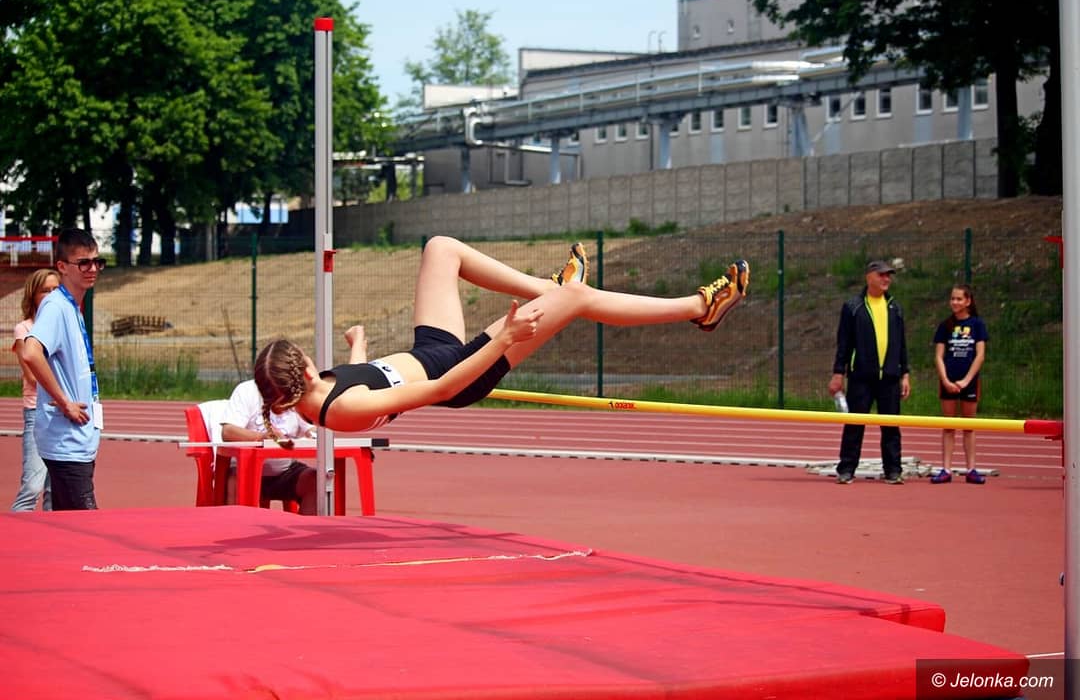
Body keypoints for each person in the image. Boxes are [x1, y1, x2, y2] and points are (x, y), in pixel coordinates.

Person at [254, 236, 750, 435]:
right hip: (461, 371)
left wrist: (358, 347)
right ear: (301, 371)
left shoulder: (319, 392)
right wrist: (504, 339)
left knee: (441, 249)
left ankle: (551, 288)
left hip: (431, 350)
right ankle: (699, 308)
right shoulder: (339, 409)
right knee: (577, 300)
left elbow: (364, 383)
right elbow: (441, 390)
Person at [17, 228, 104, 510]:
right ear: (62, 267)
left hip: (77, 441)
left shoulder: (71, 307)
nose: (92, 269)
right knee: (87, 525)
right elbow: (31, 352)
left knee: (67, 524)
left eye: (97, 262)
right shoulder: (56, 307)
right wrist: (64, 402)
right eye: (84, 263)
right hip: (67, 442)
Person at [828, 259, 910, 484]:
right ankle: (846, 469)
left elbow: (901, 344)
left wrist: (905, 373)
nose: (886, 279)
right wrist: (838, 373)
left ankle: (893, 470)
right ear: (869, 277)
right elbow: (844, 343)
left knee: (891, 426)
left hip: (890, 377)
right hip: (861, 377)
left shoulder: (895, 307)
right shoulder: (853, 307)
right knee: (855, 424)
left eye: (888, 275)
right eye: (881, 275)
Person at [219, 378, 319, 514]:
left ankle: (304, 527)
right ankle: (236, 524)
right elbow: (228, 432)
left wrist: (313, 434)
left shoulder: (295, 393)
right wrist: (261, 437)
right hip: (247, 470)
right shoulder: (247, 390)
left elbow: (310, 429)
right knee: (235, 479)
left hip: (284, 471)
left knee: (315, 481)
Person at [10, 268, 60, 511]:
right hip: (38, 412)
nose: (51, 295)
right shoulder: (24, 329)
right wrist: (62, 390)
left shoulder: (63, 326)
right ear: (33, 295)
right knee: (32, 486)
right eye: (45, 291)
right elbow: (31, 376)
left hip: (63, 413)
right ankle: (13, 530)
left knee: (55, 491)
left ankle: (53, 534)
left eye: (55, 290)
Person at [930, 284, 989, 484]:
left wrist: (966, 381)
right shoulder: (945, 326)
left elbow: (980, 356)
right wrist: (946, 380)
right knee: (948, 425)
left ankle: (971, 469)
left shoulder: (977, 325)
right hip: (948, 381)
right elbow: (939, 356)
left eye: (959, 299)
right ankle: (946, 469)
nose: (955, 302)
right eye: (952, 299)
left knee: (968, 426)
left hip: (969, 382)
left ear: (968, 301)